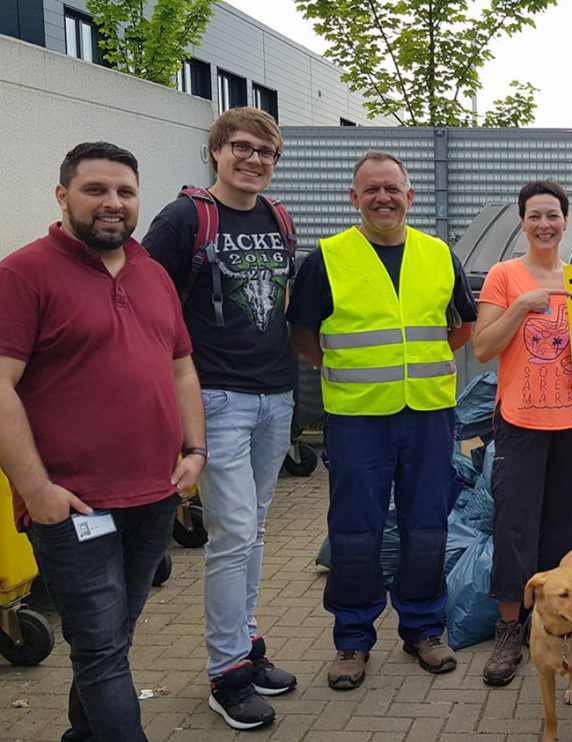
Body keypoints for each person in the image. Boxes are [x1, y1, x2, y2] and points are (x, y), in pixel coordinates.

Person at [0, 142, 205, 742]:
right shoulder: (23, 273)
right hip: (75, 504)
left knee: (112, 637)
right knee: (100, 645)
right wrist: (36, 491)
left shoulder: (153, 273)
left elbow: (181, 368)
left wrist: (195, 452)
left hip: (154, 494)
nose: (112, 203)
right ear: (63, 196)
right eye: (96, 190)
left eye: (125, 192)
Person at [287, 150, 477, 690]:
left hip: (428, 414)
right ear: (354, 198)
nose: (383, 198)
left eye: (392, 188)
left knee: (427, 527)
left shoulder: (439, 254)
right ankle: (352, 639)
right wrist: (346, 368)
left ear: (410, 196)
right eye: (370, 189)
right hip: (356, 418)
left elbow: (462, 325)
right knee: (353, 532)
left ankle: (423, 628)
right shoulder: (326, 259)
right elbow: (302, 333)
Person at [142, 106, 299, 730]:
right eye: (241, 147)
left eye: (265, 152)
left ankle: (247, 646)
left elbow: (281, 299)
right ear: (215, 151)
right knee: (231, 535)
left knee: (253, 530)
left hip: (274, 395)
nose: (253, 160)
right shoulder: (185, 217)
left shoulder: (277, 217)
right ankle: (226, 673)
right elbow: (144, 300)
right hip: (215, 400)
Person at [471, 180, 572, 686]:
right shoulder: (504, 276)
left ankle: (558, 626)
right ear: (522, 223)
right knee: (514, 526)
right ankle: (509, 629)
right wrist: (522, 307)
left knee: (567, 527)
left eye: (553, 215)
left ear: (565, 222)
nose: (544, 224)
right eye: (534, 216)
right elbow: (482, 347)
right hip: (521, 420)